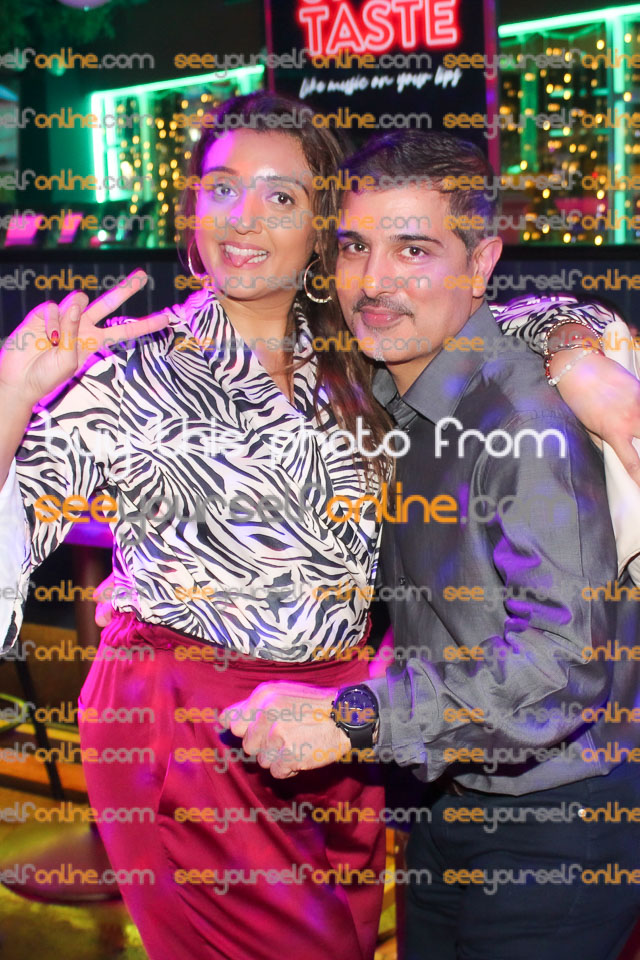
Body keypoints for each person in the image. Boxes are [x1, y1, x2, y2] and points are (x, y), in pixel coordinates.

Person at [0, 97, 636, 960]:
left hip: (348, 732)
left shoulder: (357, 351)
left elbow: (496, 309)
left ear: (319, 229)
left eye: (281, 196)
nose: (244, 218)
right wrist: (12, 393)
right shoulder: (126, 370)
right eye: (222, 188)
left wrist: (578, 347)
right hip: (193, 728)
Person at [223, 131, 640, 960]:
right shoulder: (387, 391)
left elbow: (564, 667)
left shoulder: (521, 423)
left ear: (480, 264)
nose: (374, 282)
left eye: (413, 250)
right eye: (355, 247)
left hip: (560, 821)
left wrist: (356, 717)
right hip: (450, 790)